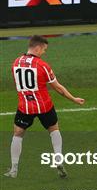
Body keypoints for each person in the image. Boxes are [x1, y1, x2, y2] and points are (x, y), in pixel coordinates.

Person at [5, 35, 85, 179]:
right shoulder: (42, 66)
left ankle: (14, 169)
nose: (44, 52)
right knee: (54, 129)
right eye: (44, 49)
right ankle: (59, 159)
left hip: (25, 107)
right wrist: (74, 99)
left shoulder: (15, 63)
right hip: (44, 106)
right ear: (38, 47)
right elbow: (58, 88)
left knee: (18, 134)